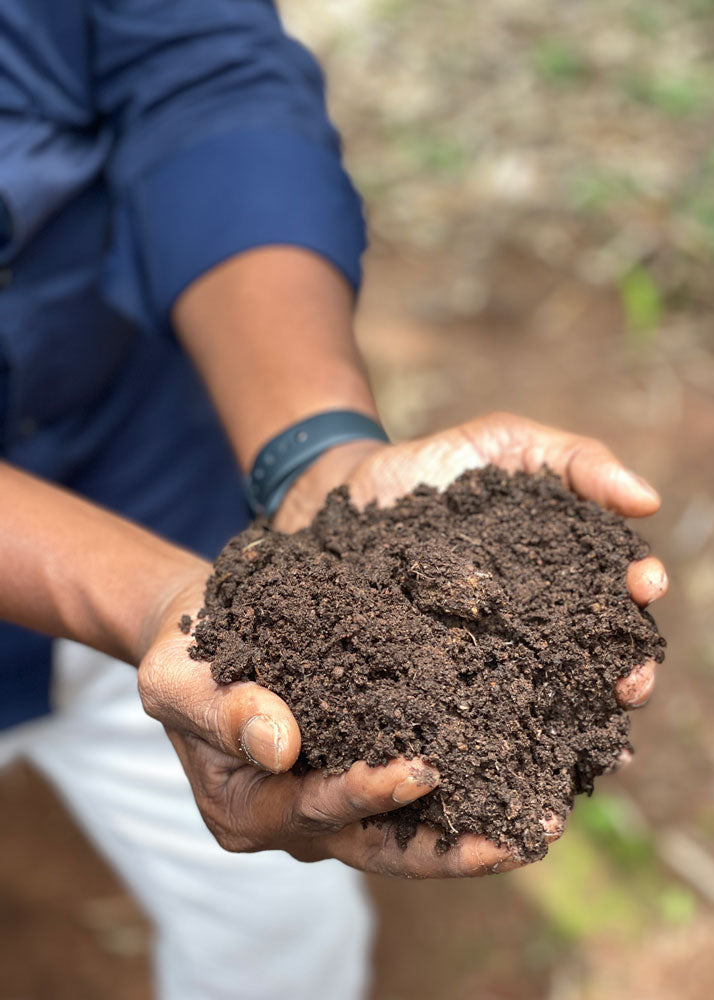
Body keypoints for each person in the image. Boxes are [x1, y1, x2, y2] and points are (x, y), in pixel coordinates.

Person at [0, 2, 668, 998]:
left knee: (276, 941)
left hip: (149, 479)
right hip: (140, 574)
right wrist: (141, 599)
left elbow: (196, 75)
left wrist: (312, 448)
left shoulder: (227, 617)